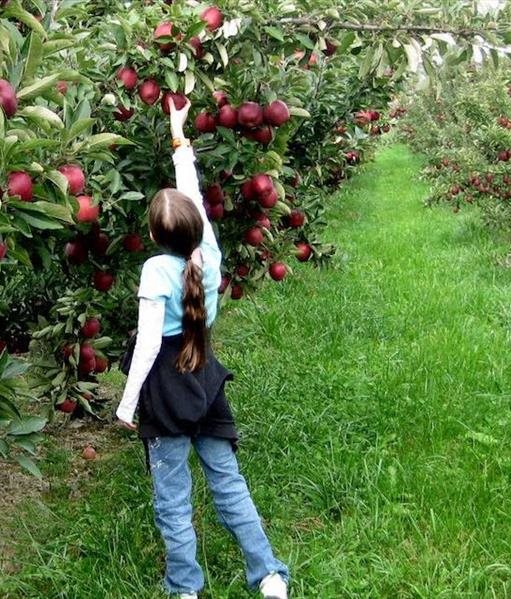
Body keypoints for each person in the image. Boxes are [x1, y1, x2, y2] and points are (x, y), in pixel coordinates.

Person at [116, 96, 290, 599]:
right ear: (196, 226)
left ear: (153, 234)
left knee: (173, 499)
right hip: (206, 382)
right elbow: (190, 195)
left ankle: (185, 589)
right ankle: (269, 574)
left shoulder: (156, 270)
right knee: (228, 484)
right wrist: (180, 139)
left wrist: (127, 403)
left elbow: (150, 342)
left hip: (167, 395)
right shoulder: (207, 256)